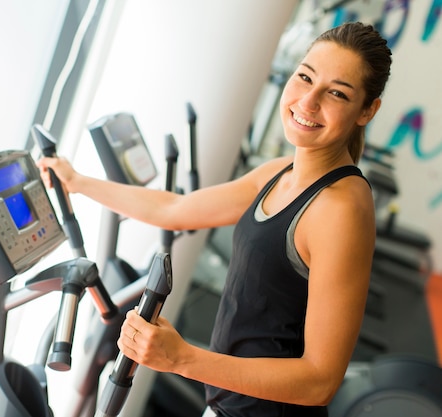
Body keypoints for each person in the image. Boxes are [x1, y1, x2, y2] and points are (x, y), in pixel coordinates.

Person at [37, 21, 392, 417]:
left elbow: (320, 381)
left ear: (367, 110)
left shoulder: (340, 210)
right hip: (228, 405)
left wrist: (182, 359)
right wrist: (78, 182)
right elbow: (173, 210)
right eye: (305, 77)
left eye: (337, 94)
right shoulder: (279, 172)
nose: (308, 102)